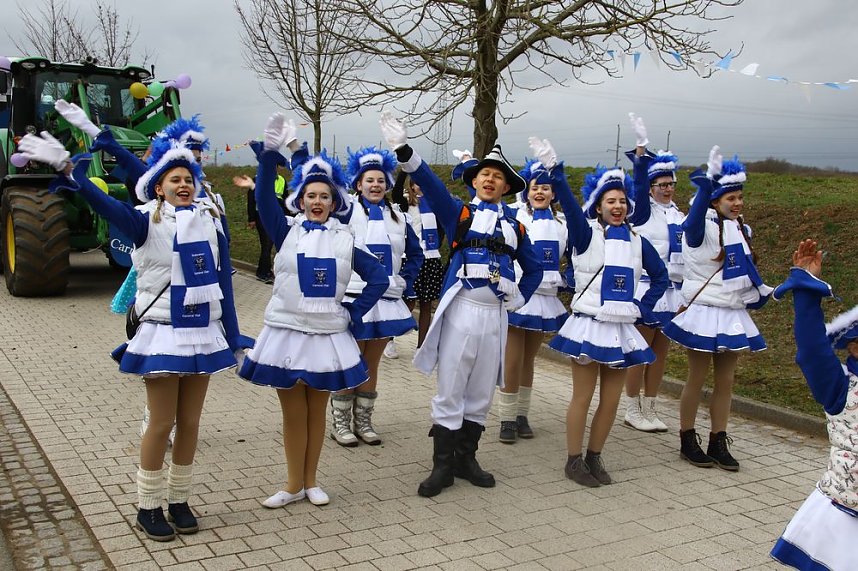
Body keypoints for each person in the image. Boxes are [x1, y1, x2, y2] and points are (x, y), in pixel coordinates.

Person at [17, 127, 250, 542]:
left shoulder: (211, 223)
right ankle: (148, 506)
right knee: (161, 423)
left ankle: (179, 500)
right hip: (162, 334)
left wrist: (233, 337)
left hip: (201, 333)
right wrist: (73, 173)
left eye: (189, 179)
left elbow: (224, 288)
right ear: (157, 187)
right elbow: (105, 205)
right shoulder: (144, 221)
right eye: (174, 179)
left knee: (191, 423)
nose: (183, 184)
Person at [378, 112, 543, 497]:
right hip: (462, 310)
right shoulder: (461, 213)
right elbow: (432, 187)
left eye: (498, 176)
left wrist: (518, 298)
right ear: (475, 180)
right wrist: (404, 150)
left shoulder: (517, 227)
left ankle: (467, 458)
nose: (490, 179)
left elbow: (534, 270)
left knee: (482, 390)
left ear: (506, 187)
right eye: (485, 173)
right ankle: (442, 466)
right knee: (451, 385)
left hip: (496, 317)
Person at [237, 115, 388, 508]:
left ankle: (311, 481)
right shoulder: (285, 230)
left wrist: (353, 314)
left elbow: (378, 278)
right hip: (286, 334)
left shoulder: (346, 239)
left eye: (324, 196)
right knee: (292, 414)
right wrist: (269, 155)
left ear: (334, 202)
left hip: (326, 337)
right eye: (310, 195)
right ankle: (291, 485)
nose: (317, 201)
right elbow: (263, 200)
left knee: (316, 412)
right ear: (300, 200)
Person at [544, 136, 668, 488]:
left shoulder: (638, 242)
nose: (618, 206)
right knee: (582, 397)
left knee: (611, 401)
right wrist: (557, 174)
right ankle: (573, 459)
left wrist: (642, 307)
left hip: (621, 329)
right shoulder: (584, 235)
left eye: (622, 201)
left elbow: (659, 277)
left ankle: (595, 456)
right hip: (588, 326)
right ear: (598, 207)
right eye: (610, 201)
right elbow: (567, 205)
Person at [662, 147, 771, 472]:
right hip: (704, 311)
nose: (737, 203)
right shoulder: (697, 226)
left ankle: (718, 439)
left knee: (726, 380)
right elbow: (693, 220)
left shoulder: (741, 229)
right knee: (696, 377)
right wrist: (707, 185)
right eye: (730, 197)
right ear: (713, 199)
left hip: (732, 312)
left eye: (739, 197)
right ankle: (687, 437)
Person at [769, 239, 858, 571]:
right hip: (848, 521)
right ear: (854, 346)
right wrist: (806, 291)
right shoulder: (840, 387)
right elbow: (811, 350)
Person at [327, 145, 423, 446]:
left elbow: (416, 255)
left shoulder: (399, 216)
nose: (375, 185)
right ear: (358, 184)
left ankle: (364, 420)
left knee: (371, 364)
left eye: (381, 180)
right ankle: (340, 421)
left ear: (388, 185)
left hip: (387, 301)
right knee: (350, 360)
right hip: (355, 297)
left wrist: (404, 281)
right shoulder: (346, 212)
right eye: (369, 180)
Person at [498, 152, 571, 443]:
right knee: (512, 359)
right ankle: (505, 418)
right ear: (526, 191)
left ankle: (521, 414)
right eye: (534, 187)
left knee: (529, 360)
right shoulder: (516, 215)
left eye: (545, 187)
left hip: (546, 299)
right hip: (520, 295)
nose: (539, 191)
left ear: (554, 193)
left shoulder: (563, 222)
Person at [623, 113, 686, 433]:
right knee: (641, 350)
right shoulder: (642, 211)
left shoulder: (678, 213)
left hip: (673, 292)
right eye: (662, 184)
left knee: (661, 352)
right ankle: (631, 406)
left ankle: (650, 406)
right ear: (650, 187)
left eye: (671, 184)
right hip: (647, 288)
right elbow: (637, 182)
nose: (667, 189)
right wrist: (639, 157)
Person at [390, 170, 446, 351]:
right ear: (412, 185)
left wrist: (436, 245)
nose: (420, 186)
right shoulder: (406, 203)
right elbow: (396, 191)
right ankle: (389, 339)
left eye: (423, 182)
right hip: (412, 259)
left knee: (426, 303)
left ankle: (422, 347)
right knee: (406, 301)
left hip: (431, 259)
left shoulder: (436, 205)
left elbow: (442, 229)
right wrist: (404, 171)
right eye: (417, 183)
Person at [233, 172, 288, 283]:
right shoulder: (258, 179)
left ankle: (266, 270)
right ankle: (263, 272)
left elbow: (285, 198)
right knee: (266, 244)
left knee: (271, 244)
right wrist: (251, 218)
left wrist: (287, 216)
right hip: (262, 216)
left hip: (276, 216)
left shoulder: (281, 180)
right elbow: (251, 200)